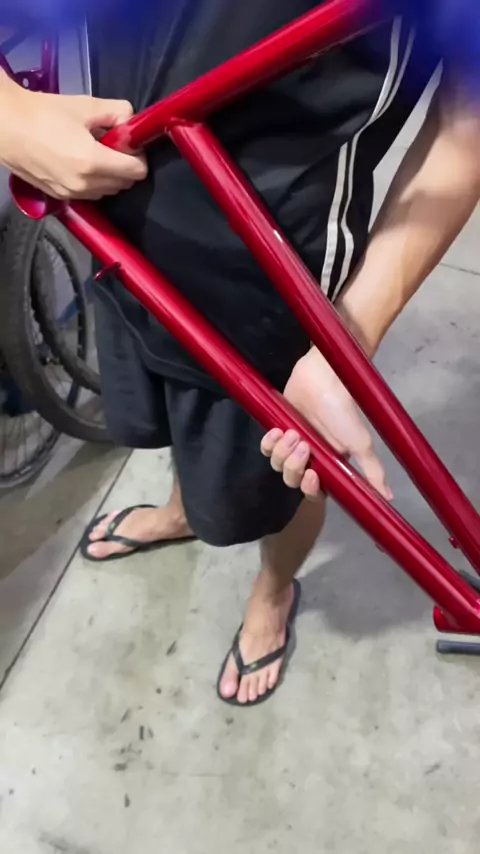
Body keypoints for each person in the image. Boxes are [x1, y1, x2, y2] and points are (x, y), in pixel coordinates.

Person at [0, 4, 479, 707]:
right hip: (110, 242)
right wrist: (9, 112)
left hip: (271, 296)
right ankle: (183, 509)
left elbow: (467, 123)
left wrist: (345, 342)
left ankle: (274, 590)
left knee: (284, 480)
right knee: (167, 422)